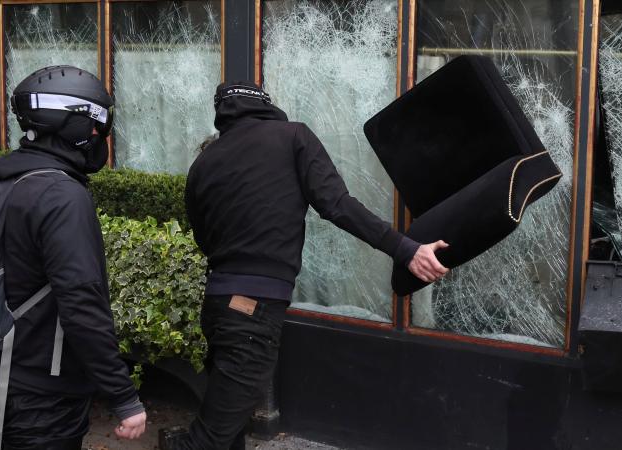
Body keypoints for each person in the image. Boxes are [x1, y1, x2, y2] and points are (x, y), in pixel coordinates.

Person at [168, 82, 450, 449]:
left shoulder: (204, 162)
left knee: (228, 424)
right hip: (254, 310)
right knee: (210, 436)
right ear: (266, 105)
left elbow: (203, 238)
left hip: (219, 306)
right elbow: (337, 205)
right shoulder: (292, 137)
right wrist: (405, 249)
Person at [0, 65, 146, 447]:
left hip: (8, 371)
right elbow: (81, 302)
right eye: (94, 126)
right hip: (43, 392)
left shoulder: (9, 182)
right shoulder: (61, 196)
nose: (97, 137)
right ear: (68, 125)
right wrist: (124, 397)